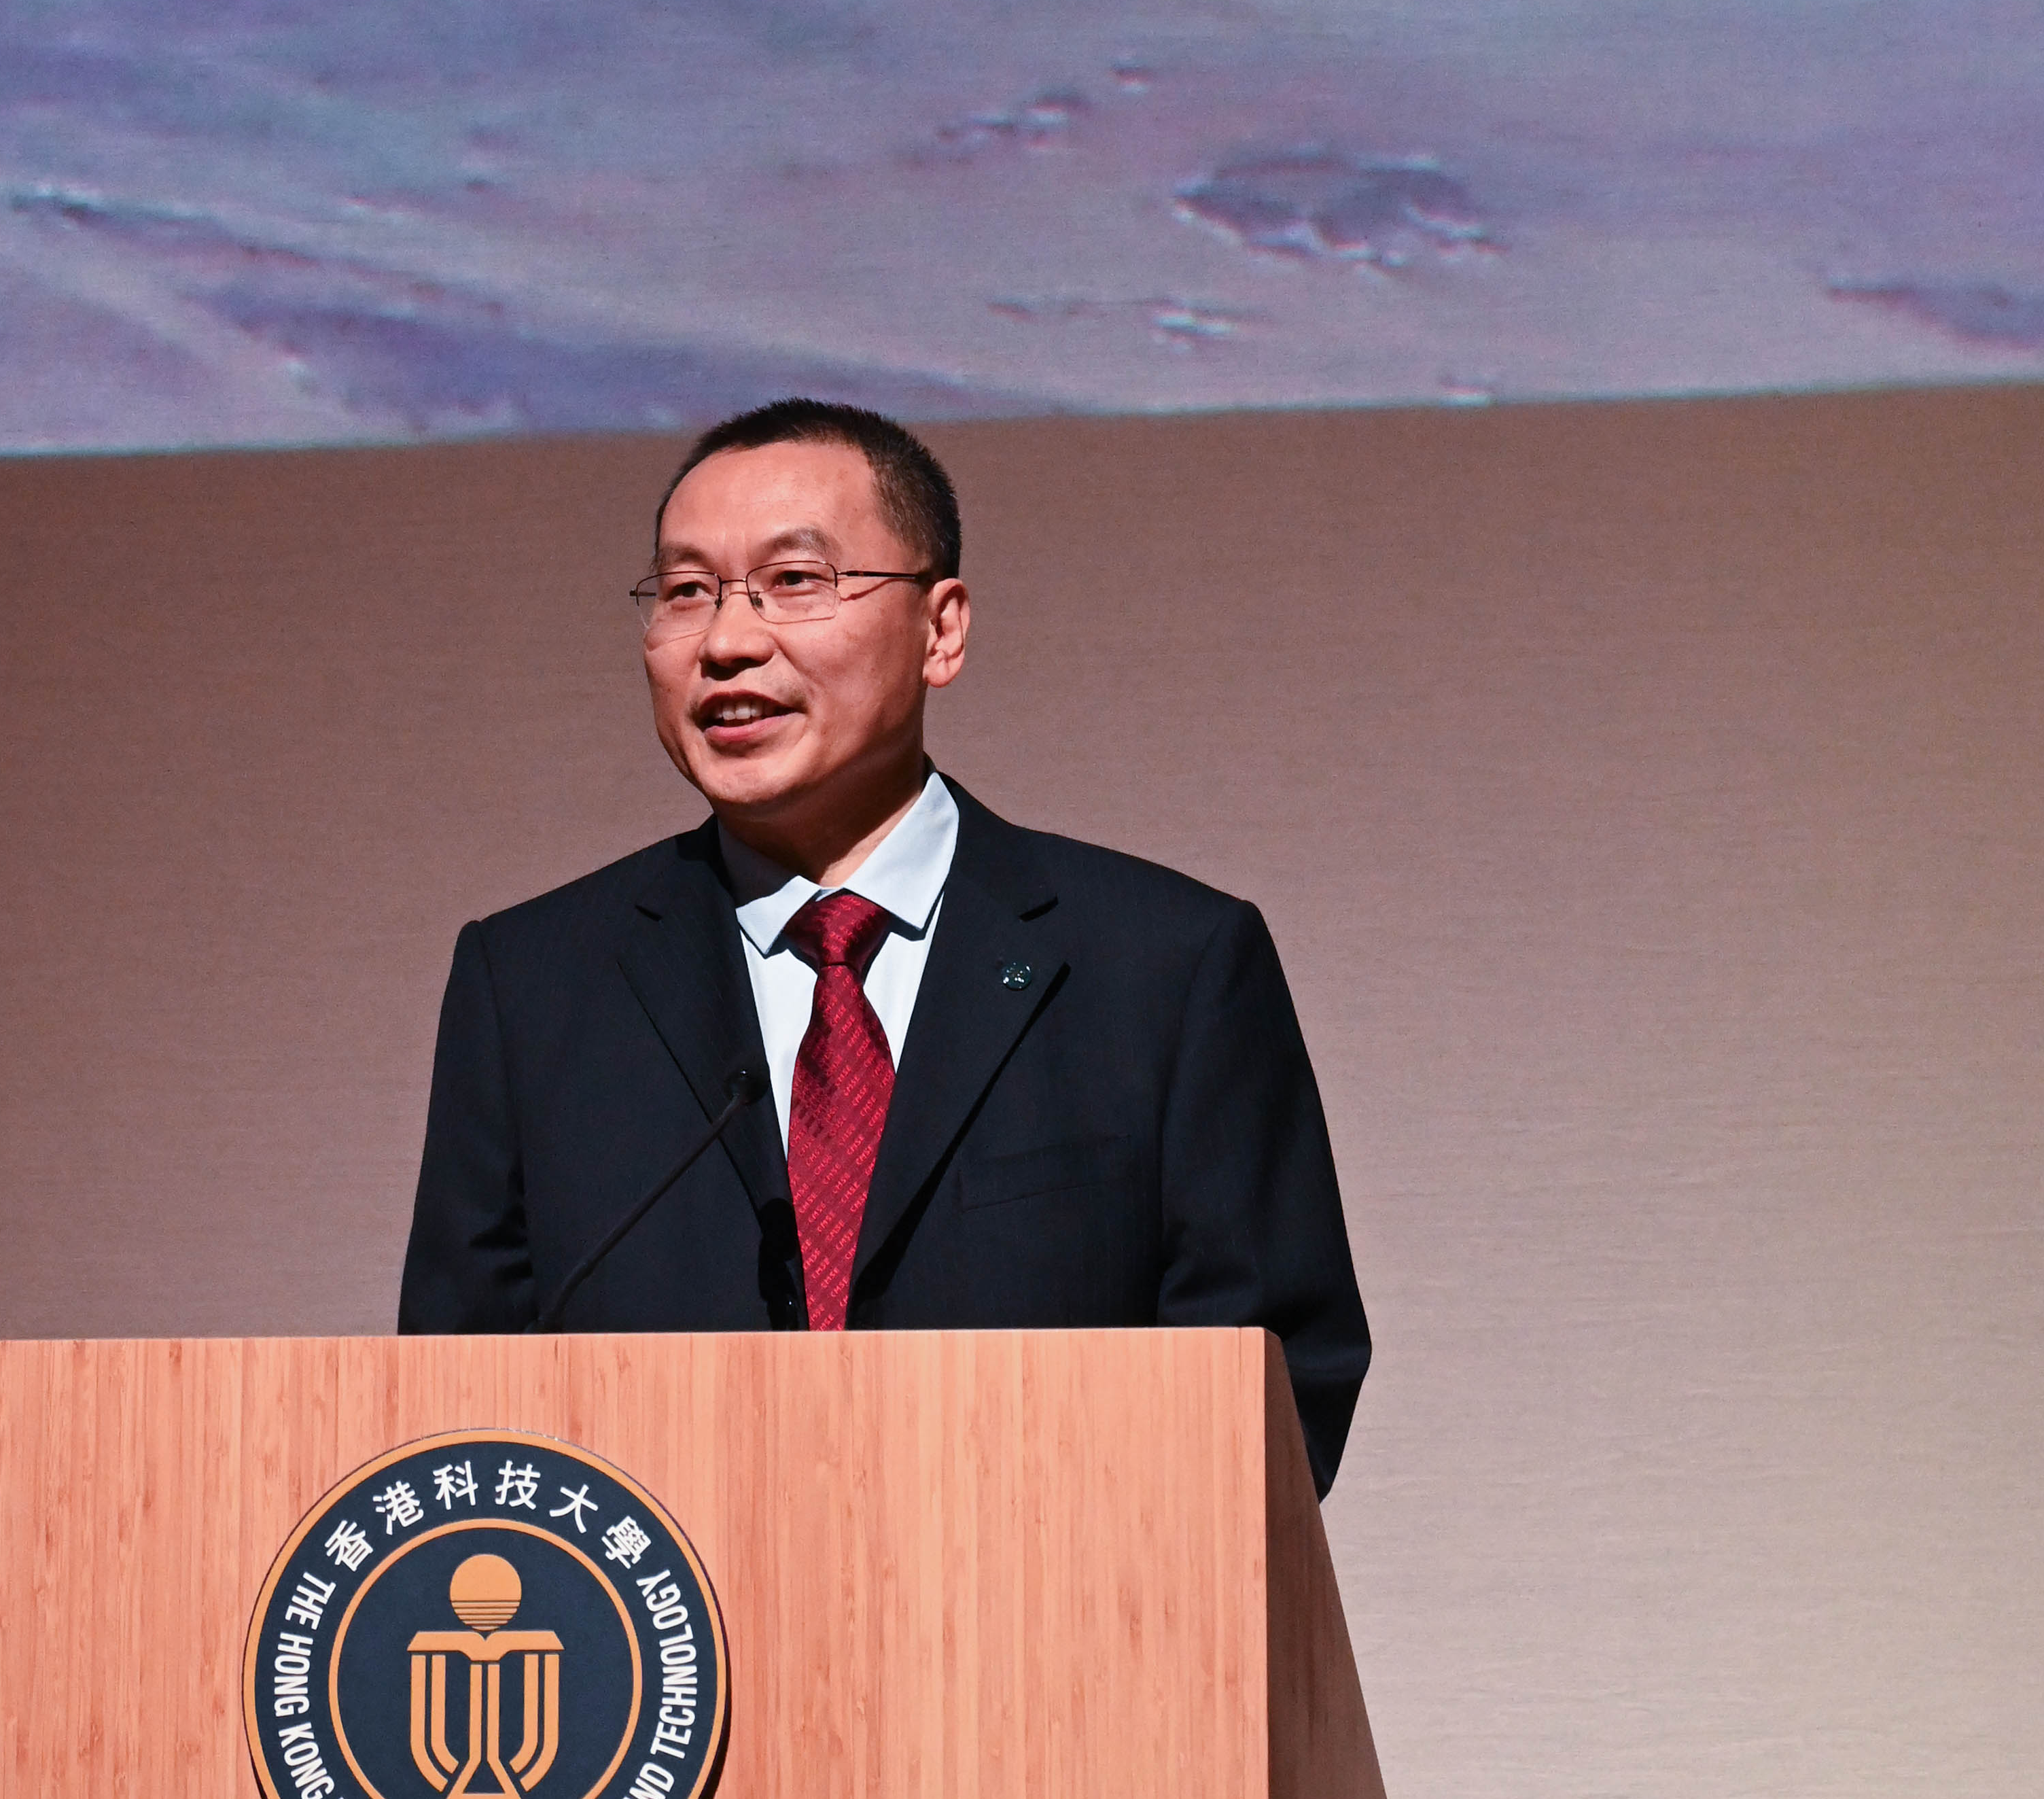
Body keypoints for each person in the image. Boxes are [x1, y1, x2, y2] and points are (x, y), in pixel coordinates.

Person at [397, 392, 1372, 1488]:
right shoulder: (532, 985)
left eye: (794, 583)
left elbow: (1275, 1394)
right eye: (684, 593)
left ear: (939, 629)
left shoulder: (1164, 965)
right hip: (671, 1648)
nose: (725, 642)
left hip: (1047, 1635)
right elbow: (457, 1414)